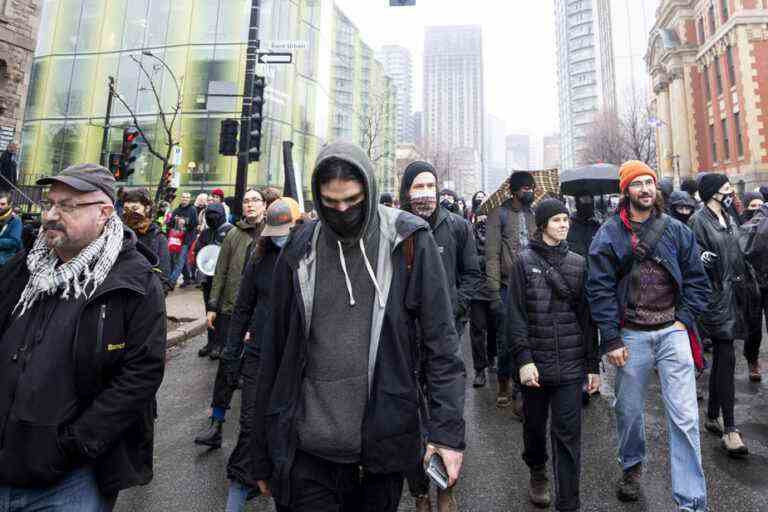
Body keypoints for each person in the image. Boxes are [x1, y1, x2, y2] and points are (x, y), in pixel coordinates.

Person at [251, 141, 466, 512]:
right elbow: (273, 352)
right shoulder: (300, 248)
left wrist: (447, 433)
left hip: (379, 450)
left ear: (367, 187)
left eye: (352, 200)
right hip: (306, 452)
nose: (343, 210)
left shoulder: (409, 241)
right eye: (331, 202)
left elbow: (441, 344)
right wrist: (259, 449)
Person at [0, 163, 166, 511]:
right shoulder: (23, 269)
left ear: (104, 213)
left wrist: (74, 444)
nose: (51, 215)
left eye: (68, 206)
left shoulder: (135, 281)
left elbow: (140, 376)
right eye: (49, 203)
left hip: (71, 480)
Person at [587, 160, 710, 510]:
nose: (645, 189)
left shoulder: (675, 230)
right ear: (626, 191)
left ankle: (692, 501)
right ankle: (632, 466)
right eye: (637, 184)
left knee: (685, 417)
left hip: (672, 332)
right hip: (630, 337)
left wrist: (684, 320)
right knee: (628, 411)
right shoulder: (609, 234)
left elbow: (698, 280)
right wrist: (610, 339)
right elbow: (599, 288)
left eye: (649, 183)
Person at [398, 161, 480, 512]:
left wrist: (451, 313)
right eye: (418, 187)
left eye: (430, 186)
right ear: (406, 192)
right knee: (408, 418)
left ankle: (445, 487)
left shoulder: (458, 228)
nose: (426, 194)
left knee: (445, 412)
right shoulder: (395, 230)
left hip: (444, 339)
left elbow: (472, 276)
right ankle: (419, 492)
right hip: (403, 342)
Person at [508, 198, 599, 510]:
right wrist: (523, 360)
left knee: (568, 439)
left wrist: (592, 365)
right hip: (535, 364)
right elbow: (516, 315)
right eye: (557, 219)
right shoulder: (523, 262)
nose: (564, 224)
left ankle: (568, 503)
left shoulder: (579, 263)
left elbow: (587, 319)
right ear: (543, 224)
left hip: (571, 366)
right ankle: (536, 470)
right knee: (534, 430)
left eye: (566, 219)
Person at [223, 197, 302, 512]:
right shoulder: (259, 259)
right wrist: (231, 354)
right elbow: (243, 307)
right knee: (251, 426)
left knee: (288, 427)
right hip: (258, 354)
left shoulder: (310, 260)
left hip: (295, 358)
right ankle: (238, 496)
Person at [689, 173, 757, 456]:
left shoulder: (730, 217)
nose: (731, 193)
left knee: (722, 357)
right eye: (726, 189)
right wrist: (700, 257)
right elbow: (693, 257)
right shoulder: (698, 221)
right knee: (727, 357)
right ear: (712, 193)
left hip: (735, 297)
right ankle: (730, 429)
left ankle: (711, 414)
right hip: (715, 301)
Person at [194, 188, 267, 447]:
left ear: (264, 205)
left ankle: (252, 438)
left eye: (254, 200)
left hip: (261, 316)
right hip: (231, 311)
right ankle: (216, 424)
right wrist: (212, 306)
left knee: (255, 374)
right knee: (226, 368)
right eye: (246, 201)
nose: (249, 205)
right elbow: (220, 271)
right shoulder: (233, 235)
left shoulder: (273, 234)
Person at [485, 171, 536, 413]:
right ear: (514, 191)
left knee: (529, 337)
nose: (530, 191)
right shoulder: (499, 214)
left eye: (532, 187)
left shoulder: (533, 213)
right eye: (525, 188)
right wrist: (494, 292)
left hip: (532, 285)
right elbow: (492, 255)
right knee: (506, 340)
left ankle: (521, 387)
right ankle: (503, 382)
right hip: (506, 286)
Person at [468, 190, 498, 388]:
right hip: (476, 290)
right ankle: (479, 368)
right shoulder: (467, 233)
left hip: (495, 288)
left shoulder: (497, 232)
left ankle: (492, 356)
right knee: (477, 328)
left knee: (494, 328)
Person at [195, 202, 233, 359]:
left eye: (213, 215)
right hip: (208, 278)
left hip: (223, 280)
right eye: (208, 215)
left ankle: (220, 344)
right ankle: (211, 342)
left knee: (222, 313)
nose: (210, 218)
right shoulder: (206, 233)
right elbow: (200, 251)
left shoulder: (231, 231)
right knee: (209, 310)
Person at [121, 188, 172, 292]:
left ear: (147, 208)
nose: (130, 213)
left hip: (145, 296)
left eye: (135, 209)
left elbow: (164, 276)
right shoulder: (118, 234)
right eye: (126, 209)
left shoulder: (157, 237)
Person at [740, 201, 768, 382]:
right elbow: (746, 249)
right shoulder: (760, 218)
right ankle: (753, 361)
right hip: (755, 282)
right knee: (754, 326)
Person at [168, 192, 198, 287]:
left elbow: (195, 224)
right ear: (181, 198)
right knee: (182, 260)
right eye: (183, 197)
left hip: (187, 239)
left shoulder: (192, 210)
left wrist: (185, 223)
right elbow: (170, 224)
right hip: (177, 239)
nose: (185, 199)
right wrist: (175, 221)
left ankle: (171, 282)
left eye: (187, 197)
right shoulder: (176, 210)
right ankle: (187, 278)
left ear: (189, 199)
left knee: (179, 261)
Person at [567, 194, 600, 258]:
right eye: (584, 200)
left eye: (589, 200)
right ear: (577, 204)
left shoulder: (597, 225)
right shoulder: (569, 226)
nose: (587, 204)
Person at [0, 192, 22, 267]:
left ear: (9, 204)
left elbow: (15, 242)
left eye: (3, 204)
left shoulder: (16, 220)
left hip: (6, 256)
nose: (0, 206)